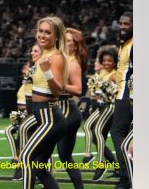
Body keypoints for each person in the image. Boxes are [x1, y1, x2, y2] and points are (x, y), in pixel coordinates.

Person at [17, 17, 68, 189]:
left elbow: (57, 91)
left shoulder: (56, 57)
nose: (42, 35)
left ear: (57, 37)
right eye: (40, 31)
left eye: (47, 32)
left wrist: (46, 72)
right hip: (42, 116)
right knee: (39, 167)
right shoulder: (42, 55)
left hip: (50, 118)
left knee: (26, 157)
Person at [56, 27, 89, 189]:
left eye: (69, 41)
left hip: (67, 111)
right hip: (65, 110)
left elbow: (78, 89)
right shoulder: (65, 58)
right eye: (64, 39)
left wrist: (57, 83)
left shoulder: (73, 63)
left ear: (75, 45)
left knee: (42, 152)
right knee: (65, 156)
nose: (65, 43)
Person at [83, 45, 121, 177]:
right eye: (104, 60)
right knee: (88, 127)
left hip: (110, 106)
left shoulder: (114, 74)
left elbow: (118, 92)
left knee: (96, 131)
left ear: (115, 62)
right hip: (100, 107)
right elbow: (95, 92)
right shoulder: (101, 73)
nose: (106, 63)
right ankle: (89, 155)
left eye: (109, 61)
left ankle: (100, 164)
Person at [8, 44, 40, 180]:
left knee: (34, 141)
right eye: (31, 51)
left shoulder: (38, 72)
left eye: (35, 51)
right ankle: (19, 161)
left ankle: (21, 164)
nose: (32, 53)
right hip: (26, 113)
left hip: (37, 112)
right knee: (13, 130)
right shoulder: (26, 80)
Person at [109, 13, 133, 189]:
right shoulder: (124, 44)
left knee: (117, 132)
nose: (123, 26)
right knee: (121, 134)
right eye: (121, 23)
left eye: (127, 24)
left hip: (128, 96)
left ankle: (125, 177)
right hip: (122, 94)